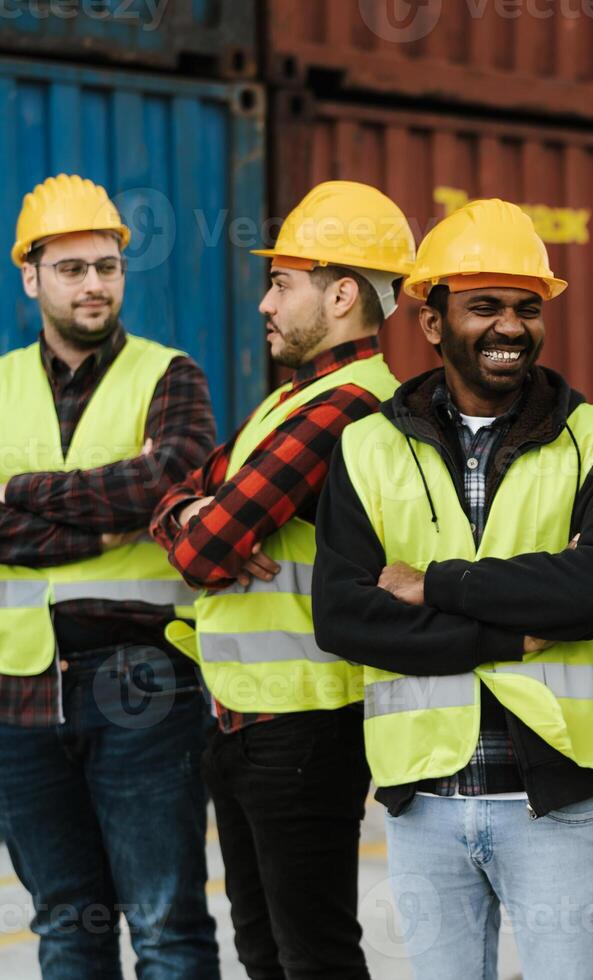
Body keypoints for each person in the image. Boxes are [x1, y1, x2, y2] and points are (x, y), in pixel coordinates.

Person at [313, 198, 593, 979]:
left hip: (555, 803)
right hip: (423, 800)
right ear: (431, 323)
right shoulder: (367, 446)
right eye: (484, 307)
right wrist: (507, 631)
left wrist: (428, 582)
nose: (509, 327)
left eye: (527, 309)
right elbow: (344, 617)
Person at [150, 180, 414, 979]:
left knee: (313, 955)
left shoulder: (350, 406)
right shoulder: (292, 402)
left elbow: (202, 551)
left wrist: (203, 521)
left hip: (303, 725)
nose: (264, 303)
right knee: (265, 949)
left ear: (340, 295)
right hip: (246, 719)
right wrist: (192, 512)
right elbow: (176, 502)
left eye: (281, 283)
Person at [0, 174, 219, 979]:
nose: (94, 284)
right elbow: (137, 495)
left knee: (166, 926)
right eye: (71, 269)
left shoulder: (171, 376)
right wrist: (111, 512)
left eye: (107, 266)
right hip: (15, 692)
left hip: (142, 685)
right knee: (64, 924)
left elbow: (171, 480)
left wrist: (16, 499)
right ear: (31, 277)